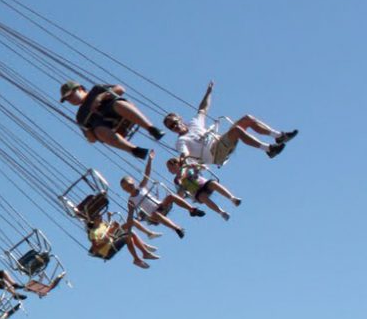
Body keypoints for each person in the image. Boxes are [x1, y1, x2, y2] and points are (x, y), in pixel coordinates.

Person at [165, 81, 297, 165]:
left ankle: (279, 136)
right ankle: (268, 149)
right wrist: (182, 159)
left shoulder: (194, 123)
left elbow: (203, 109)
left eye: (175, 123)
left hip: (219, 141)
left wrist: (208, 92)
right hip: (214, 154)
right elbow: (185, 153)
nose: (175, 127)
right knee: (237, 130)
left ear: (180, 119)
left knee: (247, 119)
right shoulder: (181, 141)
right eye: (171, 127)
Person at [60, 81, 166, 157]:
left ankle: (151, 128)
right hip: (107, 126)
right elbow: (92, 140)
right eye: (67, 99)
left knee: (117, 104)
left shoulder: (96, 90)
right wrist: (88, 130)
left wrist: (100, 97)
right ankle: (134, 150)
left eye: (70, 95)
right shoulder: (80, 116)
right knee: (99, 131)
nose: (70, 100)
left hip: (117, 111)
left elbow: (120, 89)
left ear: (80, 89)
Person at [121, 149, 203, 238]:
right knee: (156, 214)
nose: (129, 187)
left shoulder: (141, 187)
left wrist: (150, 160)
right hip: (153, 215)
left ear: (133, 182)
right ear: (125, 190)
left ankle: (192, 209)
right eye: (126, 187)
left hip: (161, 206)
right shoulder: (131, 201)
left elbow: (147, 174)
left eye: (130, 185)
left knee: (170, 196)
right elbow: (130, 216)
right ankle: (177, 228)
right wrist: (129, 229)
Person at [167, 154, 241, 220]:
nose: (169, 170)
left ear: (176, 164)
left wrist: (195, 166)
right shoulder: (176, 180)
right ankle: (221, 212)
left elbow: (203, 168)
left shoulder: (187, 167)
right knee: (203, 197)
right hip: (197, 192)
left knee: (213, 184)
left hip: (204, 184)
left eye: (170, 168)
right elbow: (180, 196)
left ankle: (232, 198)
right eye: (169, 169)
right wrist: (182, 188)